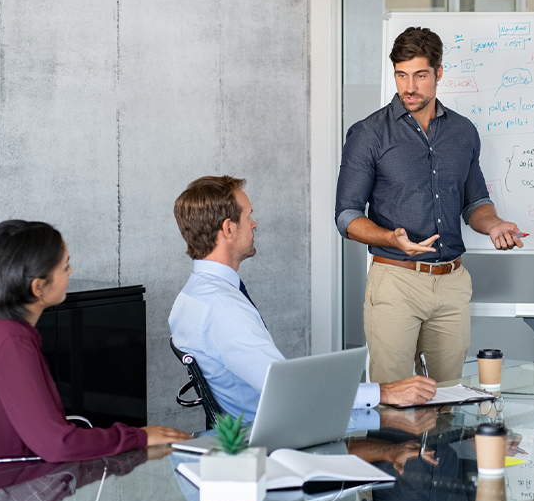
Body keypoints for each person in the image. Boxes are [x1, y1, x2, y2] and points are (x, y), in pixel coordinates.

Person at [335, 26, 524, 384]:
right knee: (393, 399)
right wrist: (393, 238)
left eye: (420, 75)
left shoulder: (463, 131)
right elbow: (347, 217)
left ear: (438, 73)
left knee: (449, 398)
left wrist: (495, 224)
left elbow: (475, 203)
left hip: (451, 283)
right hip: (395, 281)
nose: (409, 87)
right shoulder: (368, 134)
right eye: (401, 75)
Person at [169, 175, 436, 424]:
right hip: (279, 431)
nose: (254, 224)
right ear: (228, 228)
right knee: (408, 428)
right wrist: (385, 392)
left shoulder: (190, 296)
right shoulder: (223, 308)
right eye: (249, 216)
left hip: (264, 424)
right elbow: (287, 390)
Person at [0, 220, 189, 463]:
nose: (71, 272)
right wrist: (137, 436)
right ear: (38, 287)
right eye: (65, 266)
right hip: (9, 490)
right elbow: (57, 445)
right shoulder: (10, 343)